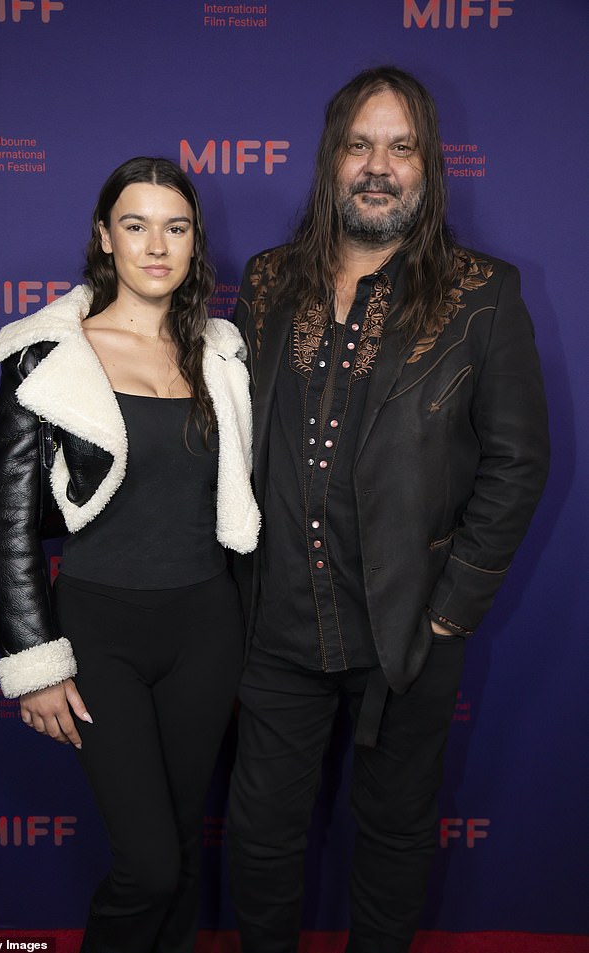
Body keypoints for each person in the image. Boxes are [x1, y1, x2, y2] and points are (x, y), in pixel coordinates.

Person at [227, 67, 549, 953]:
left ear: (428, 165)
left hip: (409, 630)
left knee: (397, 831)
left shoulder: (484, 293)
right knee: (258, 838)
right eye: (360, 145)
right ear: (332, 159)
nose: (378, 165)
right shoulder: (266, 283)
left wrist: (450, 615)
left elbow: (518, 462)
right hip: (277, 625)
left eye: (400, 147)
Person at [0, 156, 260, 953]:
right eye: (135, 226)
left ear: (194, 241)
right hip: (100, 632)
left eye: (176, 227)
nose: (157, 245)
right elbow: (3, 522)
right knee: (149, 867)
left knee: (177, 849)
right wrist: (35, 657)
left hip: (208, 629)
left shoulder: (223, 354)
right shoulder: (49, 354)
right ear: (105, 238)